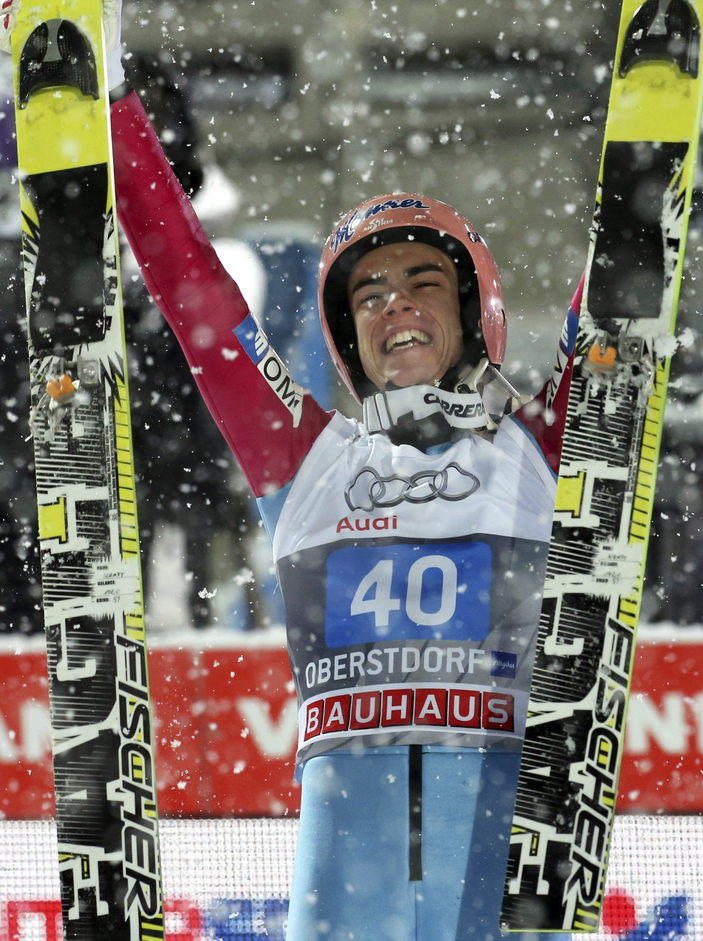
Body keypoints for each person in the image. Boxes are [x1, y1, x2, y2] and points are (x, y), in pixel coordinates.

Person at [2, 6, 578, 938]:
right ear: (347, 338)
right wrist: (107, 107)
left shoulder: (543, 446)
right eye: (370, 292)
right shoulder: (307, 458)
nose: (395, 304)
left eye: (424, 283)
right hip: (344, 889)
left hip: (500, 868)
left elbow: (634, 262)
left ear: (478, 317)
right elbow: (194, 288)